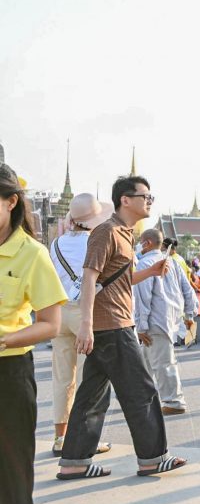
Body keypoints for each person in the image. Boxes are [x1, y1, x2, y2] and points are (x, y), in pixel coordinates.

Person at [58, 175, 187, 480]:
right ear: (125, 200)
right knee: (141, 391)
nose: (150, 201)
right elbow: (89, 277)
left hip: (111, 325)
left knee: (92, 396)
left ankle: (74, 461)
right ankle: (152, 458)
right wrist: (86, 326)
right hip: (113, 327)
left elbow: (115, 280)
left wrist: (151, 272)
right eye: (145, 196)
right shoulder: (107, 232)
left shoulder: (124, 233)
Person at [0, 163, 66, 504]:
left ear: (11, 202)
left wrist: (6, 340)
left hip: (8, 376)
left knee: (11, 478)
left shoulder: (32, 253)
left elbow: (50, 324)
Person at [48, 193, 113, 458]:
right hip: (86, 313)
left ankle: (60, 437)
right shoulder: (97, 242)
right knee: (90, 379)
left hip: (59, 312)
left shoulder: (56, 244)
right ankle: (86, 438)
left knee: (62, 377)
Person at [134, 229, 196, 415]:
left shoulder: (145, 264)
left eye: (140, 242)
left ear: (147, 243)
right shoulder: (172, 262)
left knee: (163, 363)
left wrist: (141, 325)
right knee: (145, 362)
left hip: (155, 320)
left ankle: (174, 401)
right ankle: (141, 397)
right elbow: (188, 289)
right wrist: (190, 313)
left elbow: (142, 298)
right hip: (169, 318)